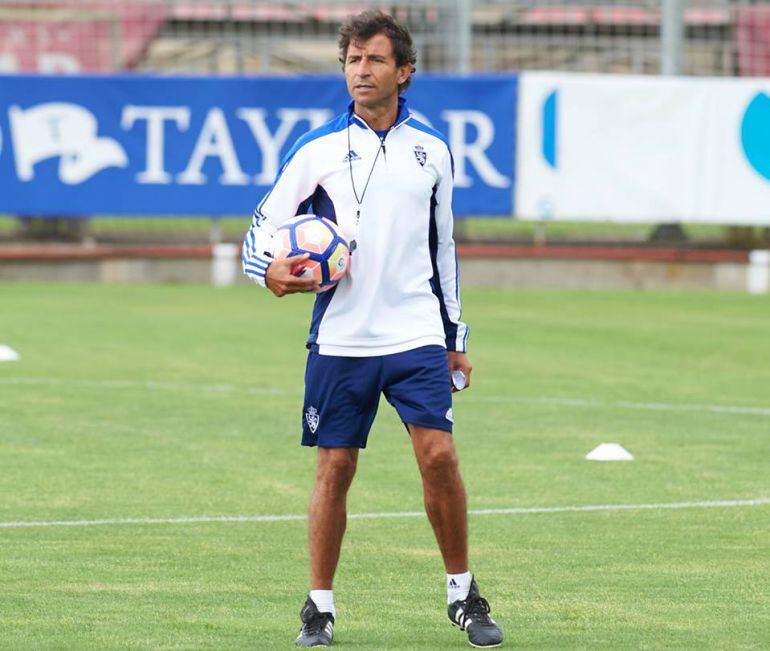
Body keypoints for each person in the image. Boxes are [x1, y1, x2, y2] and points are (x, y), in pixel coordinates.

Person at [242, 9, 503, 649]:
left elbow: (444, 251)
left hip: (415, 332)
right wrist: (268, 271)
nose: (361, 70)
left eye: (375, 59)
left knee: (439, 456)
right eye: (353, 59)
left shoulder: (433, 149)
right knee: (335, 468)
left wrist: (455, 338)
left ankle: (463, 595)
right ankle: (319, 609)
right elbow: (259, 230)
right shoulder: (317, 149)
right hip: (342, 339)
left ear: (404, 72)